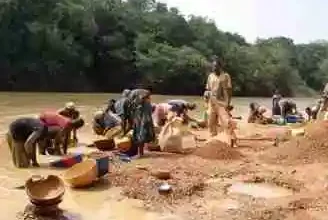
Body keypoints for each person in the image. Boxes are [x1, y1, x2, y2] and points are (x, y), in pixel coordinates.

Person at [205, 57, 236, 146]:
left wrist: (228, 103)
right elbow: (208, 89)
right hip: (212, 101)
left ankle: (231, 139)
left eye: (216, 66)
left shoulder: (226, 76)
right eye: (213, 66)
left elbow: (229, 90)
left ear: (220, 66)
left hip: (222, 102)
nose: (214, 68)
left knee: (226, 122)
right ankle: (212, 140)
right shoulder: (210, 76)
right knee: (211, 122)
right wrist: (206, 101)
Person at [125, 88, 155, 157]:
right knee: (141, 135)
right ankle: (140, 153)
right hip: (144, 119)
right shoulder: (146, 103)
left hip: (143, 120)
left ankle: (140, 154)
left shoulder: (140, 103)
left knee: (140, 135)